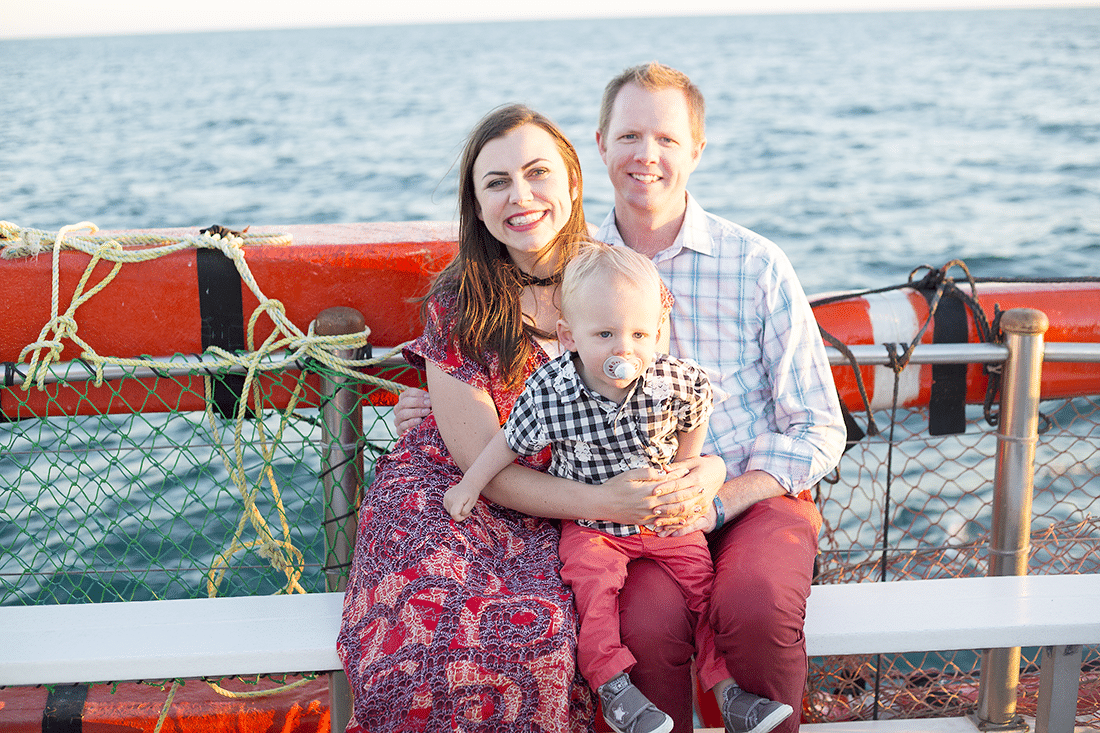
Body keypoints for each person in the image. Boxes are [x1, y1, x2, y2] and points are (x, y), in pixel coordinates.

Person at [394, 63, 846, 733]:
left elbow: (818, 426)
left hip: (747, 490)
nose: (646, 156)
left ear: (697, 148)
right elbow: (526, 359)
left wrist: (720, 486)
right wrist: (442, 403)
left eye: (666, 137)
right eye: (629, 135)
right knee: (644, 622)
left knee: (754, 603)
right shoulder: (578, 262)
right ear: (599, 146)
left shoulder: (754, 262)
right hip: (633, 510)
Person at [338, 103, 725, 733]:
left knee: (542, 638)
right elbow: (481, 466)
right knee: (431, 628)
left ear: (573, 182)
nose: (521, 197)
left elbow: (665, 401)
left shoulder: (620, 277)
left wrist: (702, 469)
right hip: (459, 495)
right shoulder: (460, 300)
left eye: (538, 173)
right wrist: (607, 501)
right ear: (478, 205)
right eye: (496, 183)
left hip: (577, 509)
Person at [445, 242, 791, 733]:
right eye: (605, 334)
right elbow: (508, 441)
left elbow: (699, 407)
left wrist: (688, 463)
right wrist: (470, 484)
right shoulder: (553, 388)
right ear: (570, 336)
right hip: (593, 527)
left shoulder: (671, 377)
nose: (623, 350)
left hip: (660, 518)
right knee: (596, 594)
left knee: (703, 590)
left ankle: (728, 691)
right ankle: (613, 688)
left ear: (657, 333)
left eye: (638, 334)